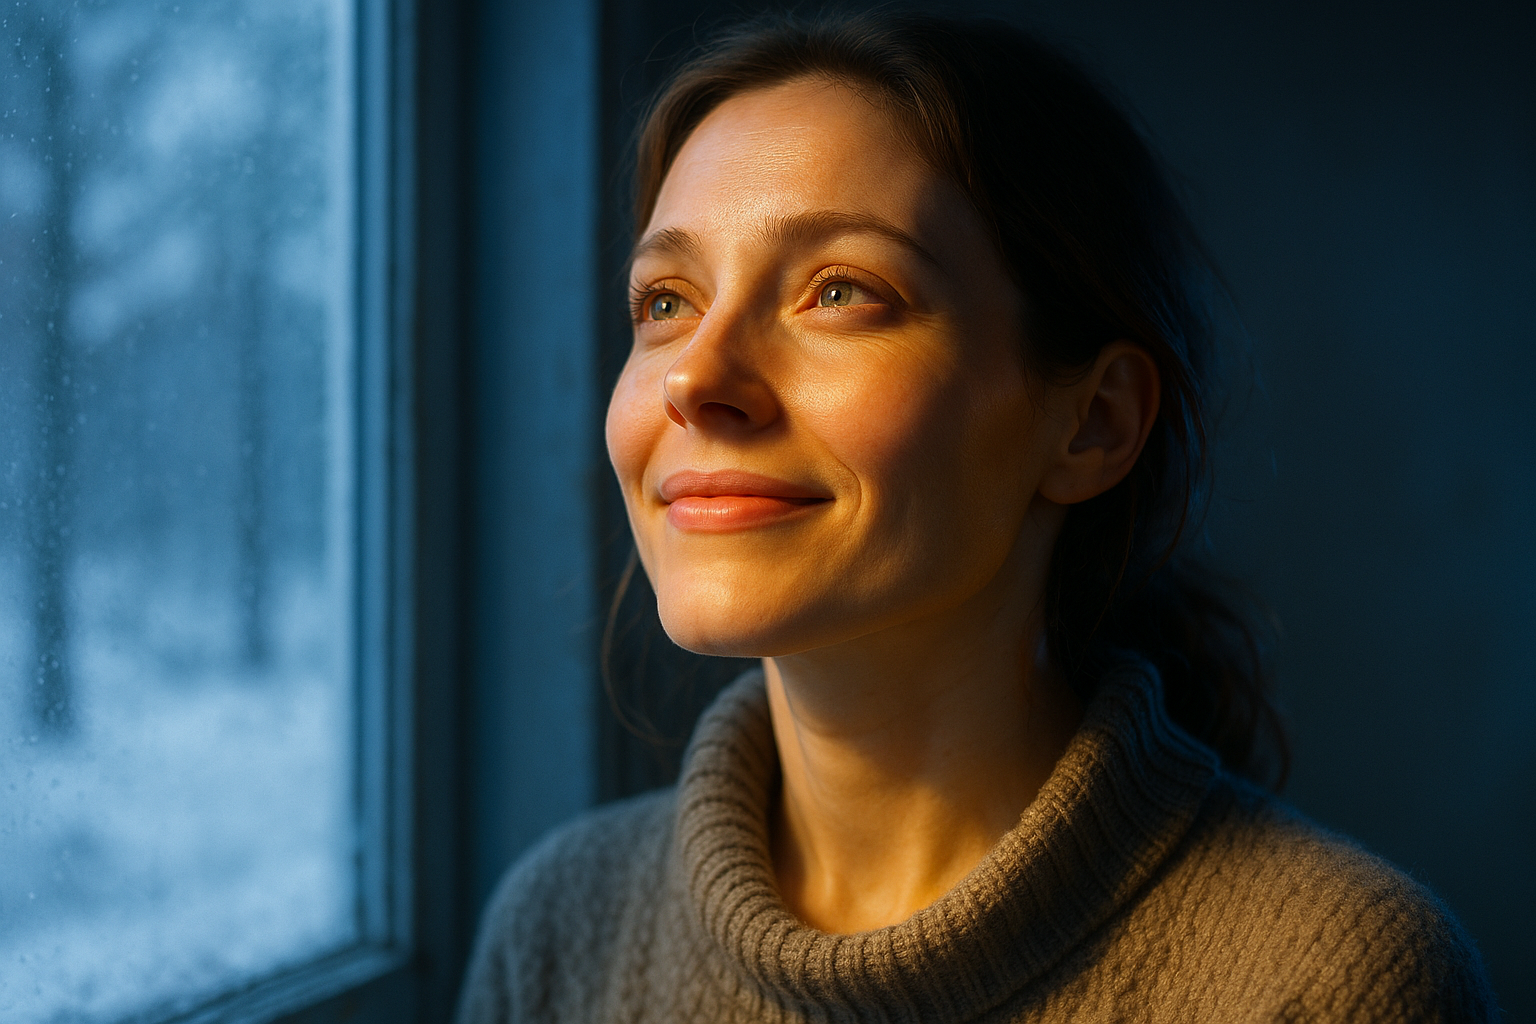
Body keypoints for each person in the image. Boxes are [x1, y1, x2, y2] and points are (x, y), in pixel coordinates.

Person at [458, 10, 1495, 1021]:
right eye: (666, 301)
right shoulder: (560, 929)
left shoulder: (1344, 982)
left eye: (840, 291)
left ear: (1091, 423)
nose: (696, 378)